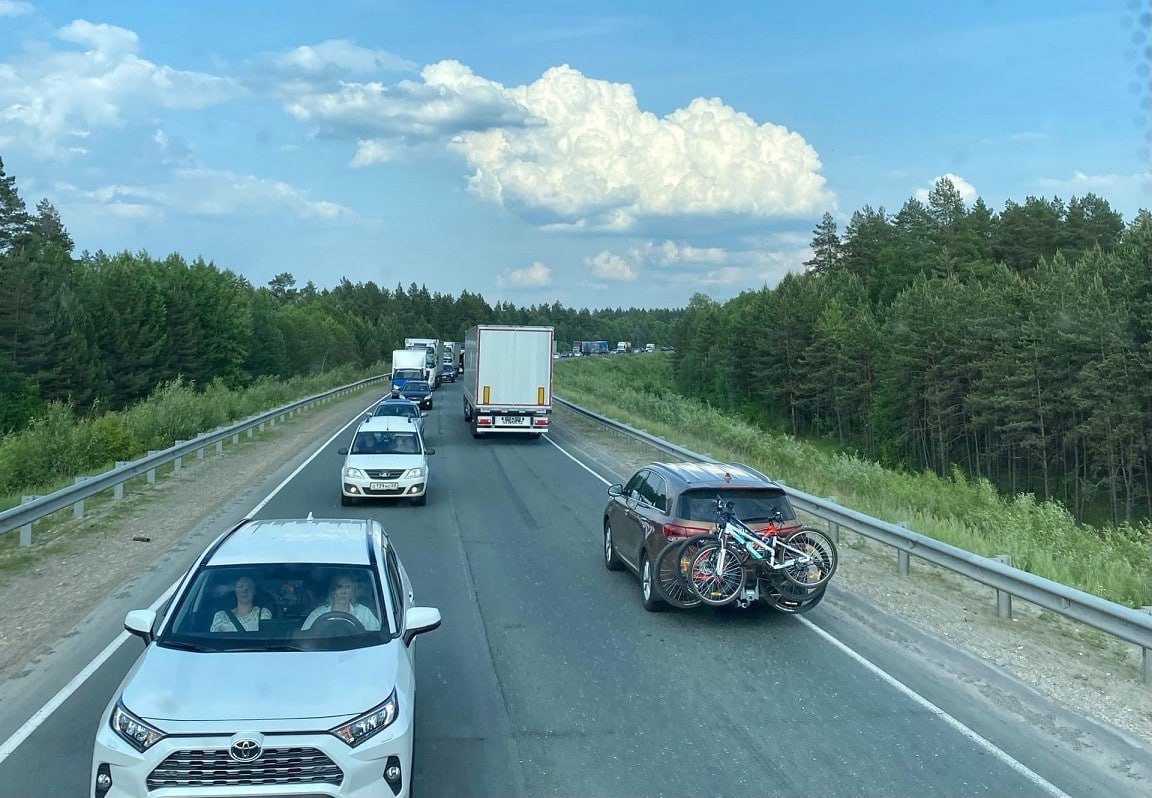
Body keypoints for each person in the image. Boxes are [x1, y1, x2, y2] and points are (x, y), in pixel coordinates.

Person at [301, 573, 381, 632]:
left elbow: (377, 636)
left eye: (348, 587)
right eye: (339, 587)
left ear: (353, 590)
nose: (344, 592)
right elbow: (304, 638)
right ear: (332, 590)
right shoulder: (317, 614)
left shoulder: (363, 612)